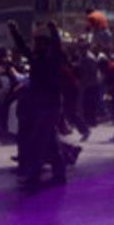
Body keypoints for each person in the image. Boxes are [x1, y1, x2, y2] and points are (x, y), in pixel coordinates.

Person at [8, 20, 70, 183]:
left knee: (40, 138)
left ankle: (36, 172)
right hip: (40, 103)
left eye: (41, 42)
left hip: (50, 104)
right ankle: (58, 173)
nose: (37, 45)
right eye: (37, 42)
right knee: (48, 139)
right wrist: (14, 32)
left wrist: (54, 30)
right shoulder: (37, 58)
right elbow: (23, 48)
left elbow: (56, 47)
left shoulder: (53, 58)